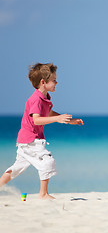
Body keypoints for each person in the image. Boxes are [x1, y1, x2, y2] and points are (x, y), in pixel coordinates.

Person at [0, 63, 83, 199]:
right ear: (43, 82)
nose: (57, 82)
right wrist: (57, 119)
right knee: (47, 161)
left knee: (16, 168)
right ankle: (43, 194)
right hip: (30, 140)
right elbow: (36, 120)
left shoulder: (45, 98)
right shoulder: (36, 99)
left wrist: (69, 120)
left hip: (26, 140)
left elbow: (48, 113)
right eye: (54, 80)